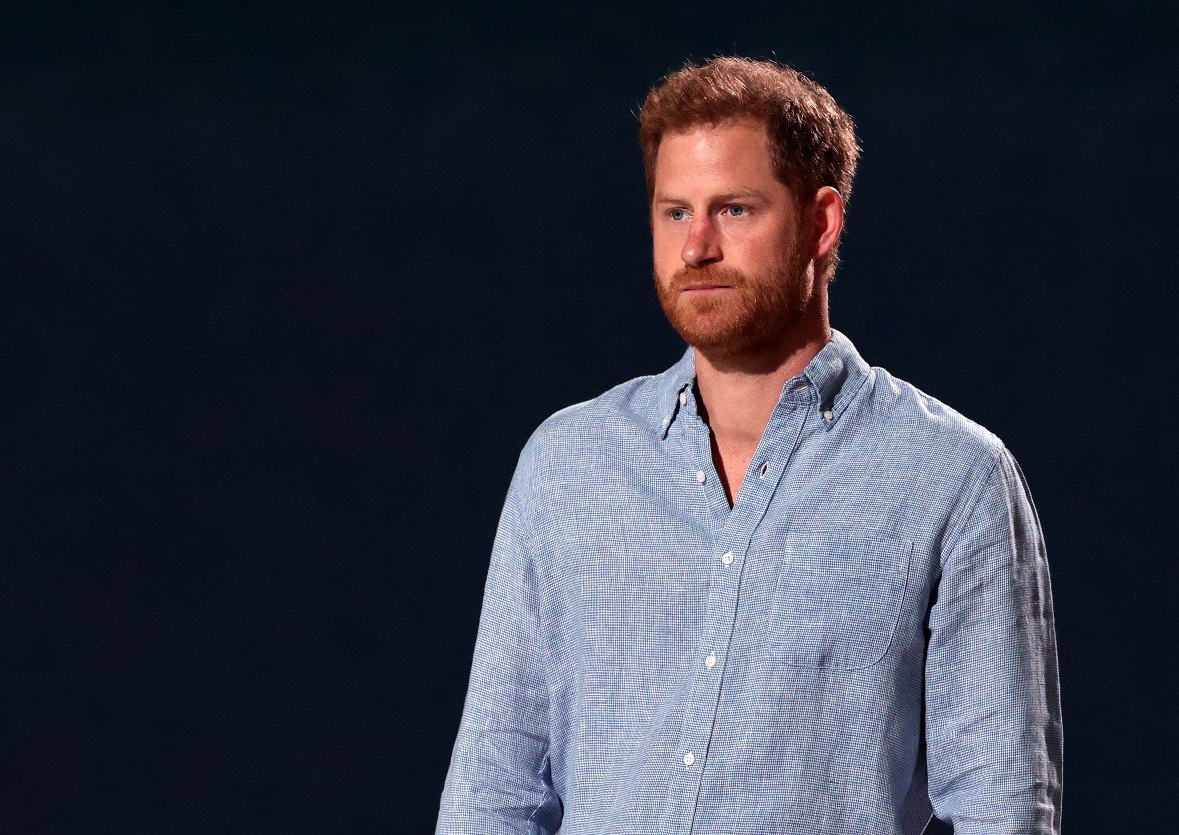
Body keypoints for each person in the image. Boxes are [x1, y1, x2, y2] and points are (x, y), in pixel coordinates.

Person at [435, 56, 1063, 835]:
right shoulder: (568, 462)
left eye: (733, 210)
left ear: (821, 221)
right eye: (674, 212)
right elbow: (495, 782)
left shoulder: (952, 479)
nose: (696, 246)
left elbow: (1002, 805)